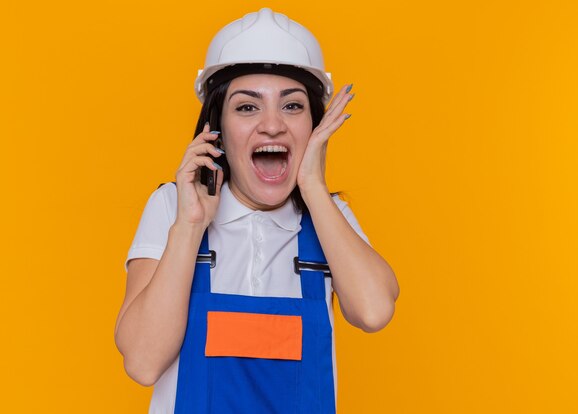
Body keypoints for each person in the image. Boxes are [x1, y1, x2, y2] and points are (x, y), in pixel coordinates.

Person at [115, 8, 399, 413]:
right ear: (217, 128)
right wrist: (190, 226)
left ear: (314, 126)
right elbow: (142, 363)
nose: (271, 126)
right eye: (247, 107)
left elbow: (373, 312)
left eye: (292, 107)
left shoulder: (327, 216)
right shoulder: (173, 206)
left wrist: (314, 187)